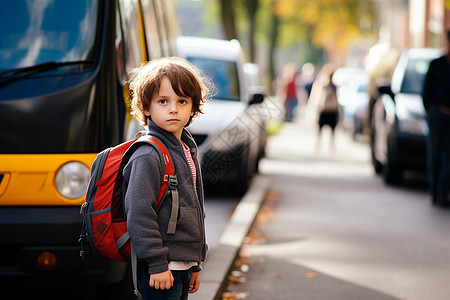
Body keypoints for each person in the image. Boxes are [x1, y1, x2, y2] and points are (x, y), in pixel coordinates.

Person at [125, 56, 211, 299]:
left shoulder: (185, 147)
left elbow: (193, 207)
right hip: (160, 270)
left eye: (182, 101)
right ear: (145, 107)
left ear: (193, 107)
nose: (173, 108)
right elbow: (139, 212)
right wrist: (156, 263)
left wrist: (194, 264)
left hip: (182, 266)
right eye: (163, 101)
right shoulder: (148, 155)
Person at [422, 30, 450, 207]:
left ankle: (442, 192)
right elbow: (426, 91)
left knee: (449, 157)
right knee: (435, 154)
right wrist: (430, 110)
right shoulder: (437, 64)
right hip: (438, 114)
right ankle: (434, 191)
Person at [316, 69, 339, 153]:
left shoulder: (334, 86)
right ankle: (318, 144)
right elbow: (319, 96)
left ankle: (331, 146)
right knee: (320, 128)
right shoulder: (324, 85)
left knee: (332, 130)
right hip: (325, 109)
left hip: (331, 109)